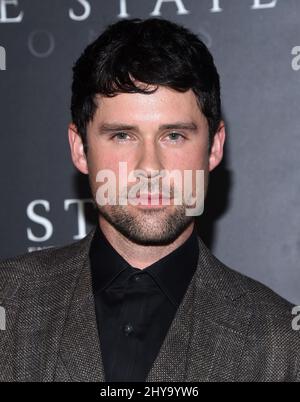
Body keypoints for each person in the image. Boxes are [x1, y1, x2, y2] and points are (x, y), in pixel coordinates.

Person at [0, 18, 299, 382]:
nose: (149, 167)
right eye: (123, 136)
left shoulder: (282, 344)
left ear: (214, 147)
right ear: (80, 148)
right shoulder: (8, 303)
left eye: (173, 136)